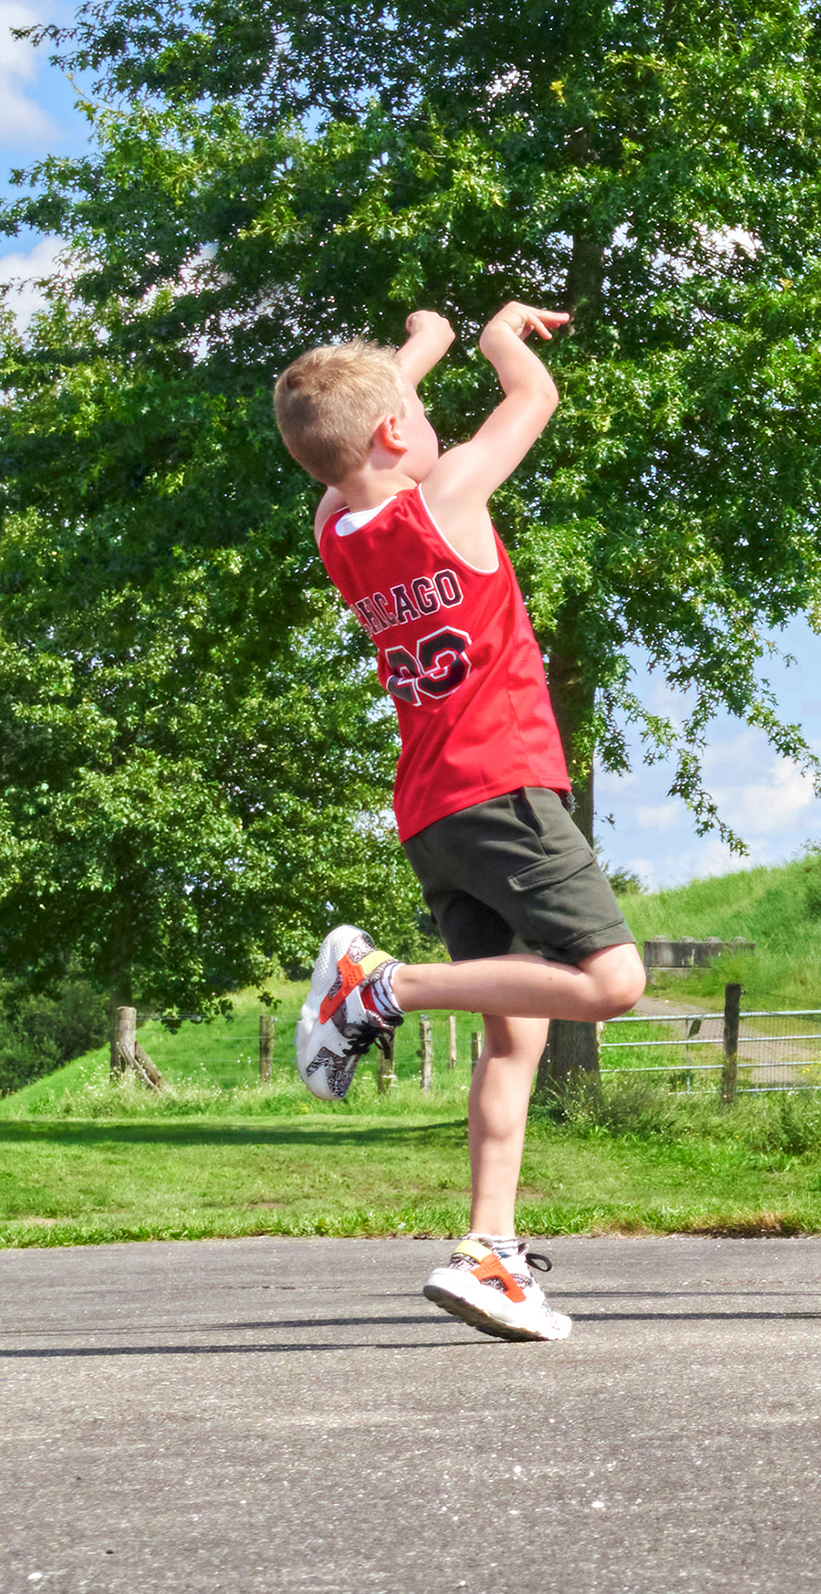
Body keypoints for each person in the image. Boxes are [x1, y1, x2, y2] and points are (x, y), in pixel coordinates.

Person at [270, 302, 648, 1340]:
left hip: (434, 811)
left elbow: (359, 425)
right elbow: (534, 396)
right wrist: (493, 335)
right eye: (414, 412)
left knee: (516, 1031)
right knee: (614, 981)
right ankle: (380, 986)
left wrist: (418, 345)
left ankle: (489, 1251)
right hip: (507, 787)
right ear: (401, 433)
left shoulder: (337, 533)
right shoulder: (449, 496)